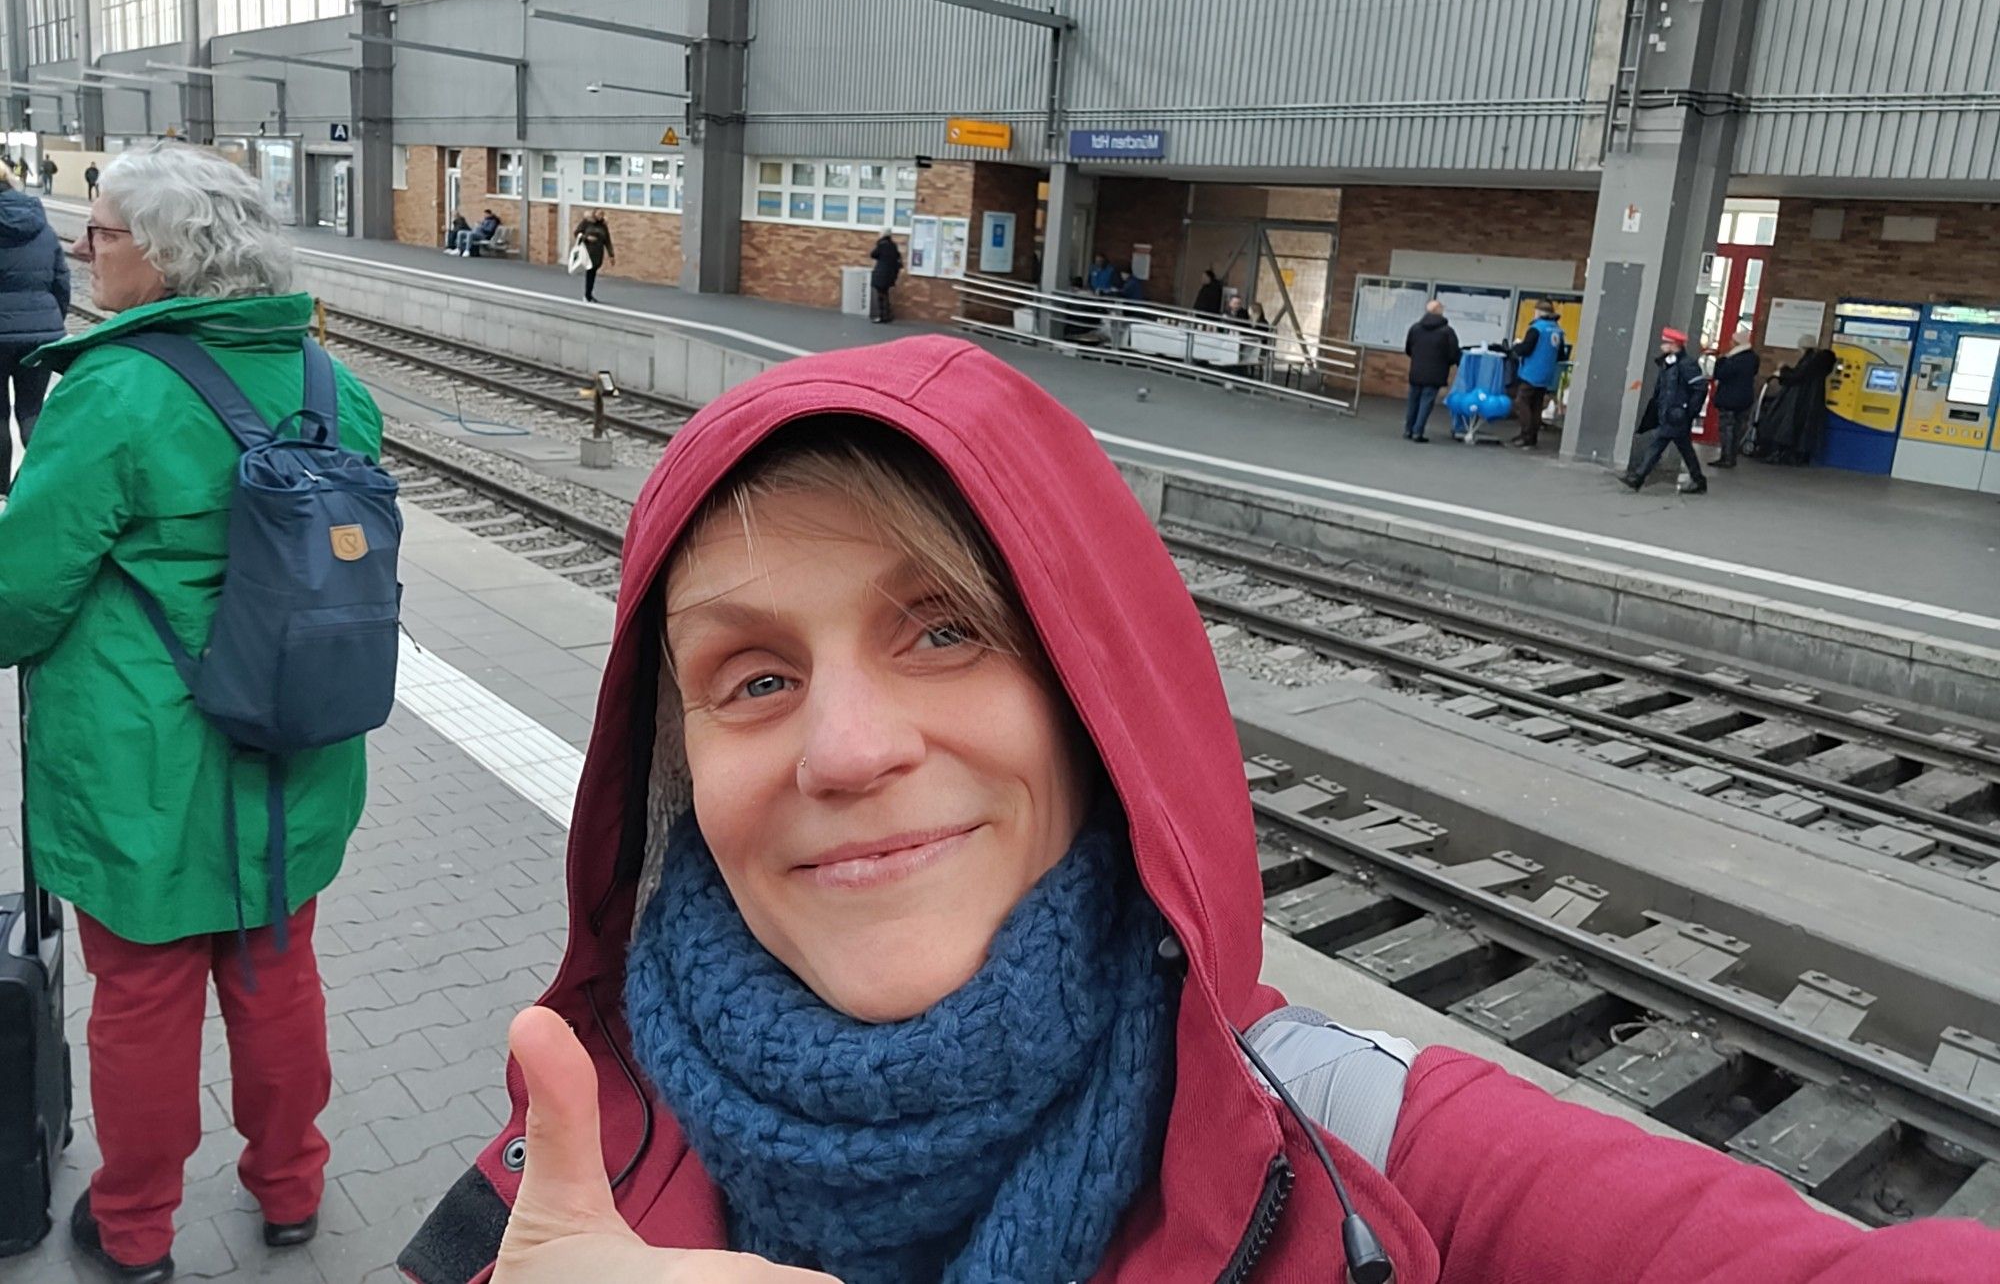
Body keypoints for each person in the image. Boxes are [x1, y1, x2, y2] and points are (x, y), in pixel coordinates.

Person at [400, 336, 1998, 1284]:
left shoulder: (1389, 1158)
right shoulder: (565, 1186)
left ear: (1099, 703)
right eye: (750, 678)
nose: (848, 746)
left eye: (946, 626)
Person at [0, 144, 384, 1282]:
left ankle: (132, 1230)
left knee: (146, 999)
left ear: (164, 256)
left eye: (102, 230)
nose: (82, 246)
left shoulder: (112, 391)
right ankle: (290, 1193)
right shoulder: (328, 380)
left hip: (146, 770)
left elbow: (16, 599)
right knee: (277, 974)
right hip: (296, 747)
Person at [0, 166, 69, 493]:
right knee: (32, 410)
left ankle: (1, 494)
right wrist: (52, 320)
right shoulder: (42, 227)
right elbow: (61, 280)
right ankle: (43, 486)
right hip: (40, 334)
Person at [1622, 325, 1709, 494]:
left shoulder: (1686, 364)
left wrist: (1689, 411)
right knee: (1685, 449)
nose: (1662, 345)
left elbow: (1700, 387)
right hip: (1670, 414)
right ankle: (1698, 480)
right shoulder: (1669, 363)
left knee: (1657, 445)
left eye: (1665, 342)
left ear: (1674, 345)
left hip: (1676, 415)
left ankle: (1637, 478)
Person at [1752, 344, 1835, 466]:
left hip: (1797, 401)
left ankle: (1778, 454)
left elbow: (1797, 376)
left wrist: (1782, 369)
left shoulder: (1809, 362)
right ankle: (1798, 457)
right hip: (1810, 403)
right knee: (1801, 431)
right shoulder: (1820, 364)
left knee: (1783, 426)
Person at [1503, 298, 1567, 448]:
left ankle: (1526, 435)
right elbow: (1561, 355)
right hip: (1547, 374)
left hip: (1532, 373)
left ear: (1539, 312)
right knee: (1536, 405)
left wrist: (1515, 348)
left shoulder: (1536, 328)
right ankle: (1533, 436)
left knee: (1521, 402)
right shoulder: (1557, 330)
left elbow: (1526, 349)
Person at [1402, 298, 1460, 443]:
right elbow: (1454, 354)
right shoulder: (1447, 331)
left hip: (1416, 371)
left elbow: (1408, 349)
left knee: (1413, 401)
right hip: (1436, 373)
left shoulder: (1415, 328)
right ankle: (1418, 432)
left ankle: (1408, 429)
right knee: (1426, 403)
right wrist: (1448, 362)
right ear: (1439, 311)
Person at [1709, 334, 1760, 468]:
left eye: (1732, 341)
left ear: (1736, 343)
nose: (1730, 342)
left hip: (1730, 397)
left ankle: (1726, 457)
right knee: (1737, 428)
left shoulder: (1733, 359)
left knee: (1727, 427)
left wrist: (1720, 360)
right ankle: (1732, 456)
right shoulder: (1753, 358)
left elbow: (1720, 374)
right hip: (1745, 398)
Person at [574, 209, 616, 304]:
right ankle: (587, 295)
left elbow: (607, 241)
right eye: (599, 213)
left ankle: (589, 294)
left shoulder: (603, 226)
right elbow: (577, 233)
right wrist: (587, 238)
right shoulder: (587, 223)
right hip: (588, 252)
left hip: (598, 253)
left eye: (602, 214)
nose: (600, 215)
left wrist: (611, 255)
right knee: (590, 273)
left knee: (592, 274)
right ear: (594, 214)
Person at [868, 230, 901, 324]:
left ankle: (883, 316)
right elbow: (897, 256)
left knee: (881, 295)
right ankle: (887, 315)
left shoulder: (882, 245)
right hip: (890, 274)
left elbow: (873, 254)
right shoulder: (893, 245)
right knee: (885, 293)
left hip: (881, 273)